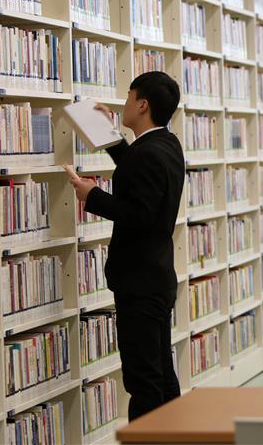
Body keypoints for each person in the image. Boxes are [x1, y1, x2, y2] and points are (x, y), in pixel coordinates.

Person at [68, 71, 185, 421]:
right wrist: (111, 137)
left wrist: (93, 196)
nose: (124, 104)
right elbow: (139, 174)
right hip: (156, 277)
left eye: (129, 97)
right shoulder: (165, 144)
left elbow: (140, 214)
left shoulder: (150, 152)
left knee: (143, 378)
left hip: (140, 282)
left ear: (142, 104)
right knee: (160, 370)